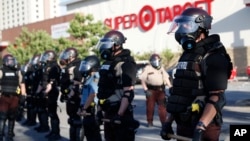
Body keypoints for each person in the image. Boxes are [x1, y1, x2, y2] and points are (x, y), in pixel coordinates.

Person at [160, 8, 233, 141]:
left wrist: (200, 127)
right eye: (180, 25)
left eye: (186, 25)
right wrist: (167, 122)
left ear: (201, 27)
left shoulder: (213, 56)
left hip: (205, 127)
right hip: (183, 124)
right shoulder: (187, 55)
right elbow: (178, 92)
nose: (181, 30)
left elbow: (217, 97)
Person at [96, 30, 140, 141]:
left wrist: (119, 115)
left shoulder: (126, 64)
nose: (105, 47)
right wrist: (99, 110)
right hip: (108, 111)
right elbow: (103, 89)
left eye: (108, 44)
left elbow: (128, 93)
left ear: (117, 44)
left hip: (120, 113)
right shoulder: (107, 63)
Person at [140, 53, 172, 127]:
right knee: (150, 107)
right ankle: (150, 121)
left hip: (160, 90)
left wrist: (170, 86)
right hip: (151, 90)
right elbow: (142, 79)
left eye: (157, 59)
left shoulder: (161, 68)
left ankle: (164, 122)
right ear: (151, 60)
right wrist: (145, 89)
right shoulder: (147, 68)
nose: (156, 61)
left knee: (163, 107)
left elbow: (166, 78)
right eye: (154, 59)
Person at [0, 54, 26, 141]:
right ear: (5, 62)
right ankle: (0, 135)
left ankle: (10, 135)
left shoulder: (17, 71)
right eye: (9, 60)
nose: (11, 62)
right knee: (2, 117)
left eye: (12, 60)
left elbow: (22, 84)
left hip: (14, 97)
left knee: (12, 117)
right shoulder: (1, 70)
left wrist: (23, 95)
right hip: (4, 97)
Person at [59, 47, 82, 141]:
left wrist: (71, 93)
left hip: (75, 96)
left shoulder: (77, 66)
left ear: (71, 55)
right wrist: (63, 94)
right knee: (71, 120)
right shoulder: (68, 66)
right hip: (69, 95)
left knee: (77, 120)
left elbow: (78, 82)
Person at [79, 55, 102, 141]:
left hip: (92, 110)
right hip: (86, 109)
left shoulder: (96, 77)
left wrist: (84, 108)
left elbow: (93, 94)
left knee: (94, 136)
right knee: (89, 134)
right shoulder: (89, 78)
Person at [39, 50, 61, 140]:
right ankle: (52, 131)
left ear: (51, 56)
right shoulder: (47, 65)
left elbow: (53, 81)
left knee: (52, 112)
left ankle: (56, 133)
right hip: (47, 91)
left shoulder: (54, 66)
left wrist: (47, 90)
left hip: (52, 92)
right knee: (49, 112)